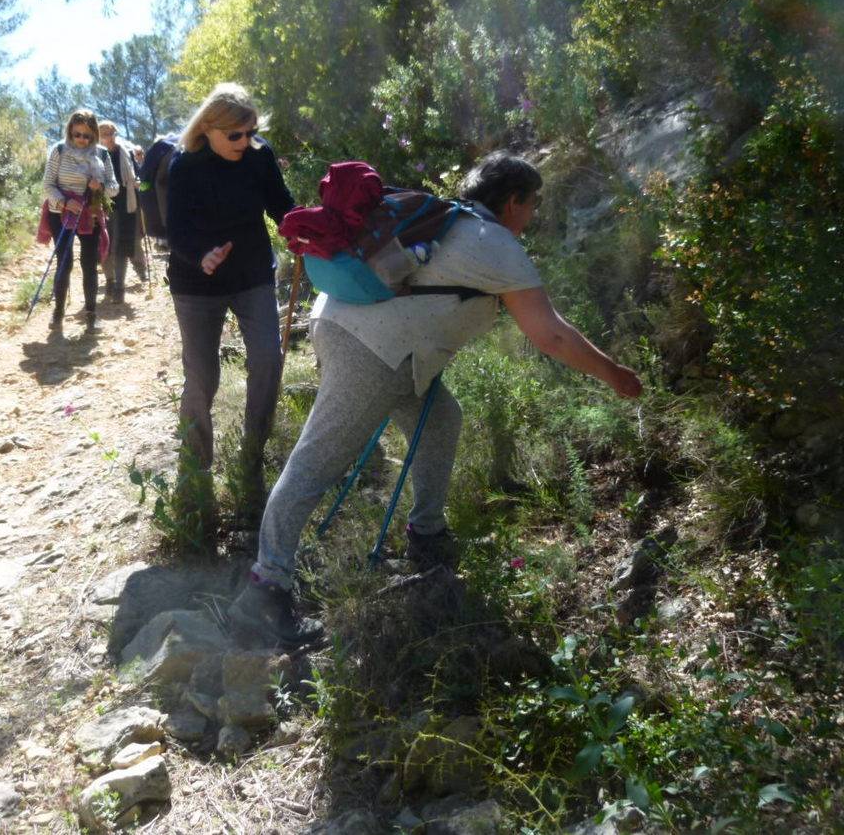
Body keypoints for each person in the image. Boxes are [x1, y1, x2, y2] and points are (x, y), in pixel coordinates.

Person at [227, 151, 643, 648]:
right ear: (513, 202)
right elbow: (550, 336)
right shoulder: (494, 243)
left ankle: (426, 535)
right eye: (533, 204)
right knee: (317, 462)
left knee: (442, 418)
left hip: (365, 336)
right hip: (372, 350)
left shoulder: (448, 219)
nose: (534, 215)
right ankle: (264, 592)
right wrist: (611, 373)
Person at [166, 83, 295, 526]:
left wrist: (305, 230)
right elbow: (176, 230)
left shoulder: (259, 156)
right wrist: (200, 254)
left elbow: (281, 207)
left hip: (252, 274)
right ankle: (194, 479)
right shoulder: (184, 165)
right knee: (202, 378)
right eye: (235, 136)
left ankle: (251, 462)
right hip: (195, 283)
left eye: (251, 133)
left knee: (268, 359)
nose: (246, 143)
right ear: (208, 129)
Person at [41, 110, 119, 331]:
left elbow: (114, 188)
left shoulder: (102, 155)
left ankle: (91, 314)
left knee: (89, 264)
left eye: (87, 135)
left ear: (94, 134)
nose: (82, 140)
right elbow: (47, 185)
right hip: (60, 213)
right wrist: (65, 201)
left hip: (91, 213)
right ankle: (58, 314)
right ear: (70, 132)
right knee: (64, 262)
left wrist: (101, 186)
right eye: (77, 134)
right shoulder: (58, 151)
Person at [97, 121, 142, 304]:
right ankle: (109, 281)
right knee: (105, 247)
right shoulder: (96, 154)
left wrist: (137, 182)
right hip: (102, 206)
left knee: (122, 246)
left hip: (125, 206)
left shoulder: (126, 153)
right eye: (105, 134)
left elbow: (138, 174)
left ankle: (119, 287)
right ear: (98, 136)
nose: (109, 137)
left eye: (112, 133)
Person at [139, 133, 179, 251]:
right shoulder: (176, 150)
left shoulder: (156, 153)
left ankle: (163, 243)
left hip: (161, 216)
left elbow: (145, 182)